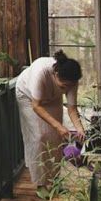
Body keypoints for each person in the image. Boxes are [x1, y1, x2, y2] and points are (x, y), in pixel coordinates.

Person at [15, 50, 85, 189]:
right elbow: (36, 106)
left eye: (69, 87)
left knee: (55, 138)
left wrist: (80, 129)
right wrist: (59, 126)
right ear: (56, 74)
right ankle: (40, 184)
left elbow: (72, 109)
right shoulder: (41, 72)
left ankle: (54, 181)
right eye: (63, 87)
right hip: (28, 98)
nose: (66, 90)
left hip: (52, 98)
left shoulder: (71, 81)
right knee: (39, 138)